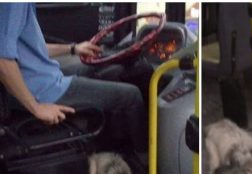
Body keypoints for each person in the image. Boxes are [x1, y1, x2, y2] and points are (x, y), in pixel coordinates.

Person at [0, 3, 146, 152]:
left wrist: (73, 49)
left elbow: (32, 47)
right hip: (41, 89)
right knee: (131, 96)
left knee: (110, 69)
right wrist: (36, 108)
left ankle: (109, 144)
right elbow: (3, 60)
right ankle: (145, 163)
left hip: (40, 75)